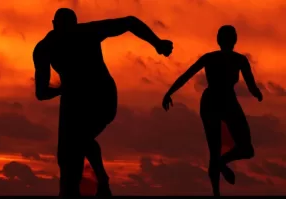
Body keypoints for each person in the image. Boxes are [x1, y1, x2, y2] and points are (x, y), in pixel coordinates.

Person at [32, 8, 173, 197]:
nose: (69, 36)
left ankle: (102, 180)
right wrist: (64, 89)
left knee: (80, 139)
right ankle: (86, 185)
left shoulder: (87, 32)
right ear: (54, 26)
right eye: (64, 30)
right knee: (68, 160)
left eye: (70, 29)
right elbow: (41, 93)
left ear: (74, 25)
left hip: (101, 96)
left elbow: (130, 21)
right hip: (73, 100)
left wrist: (158, 43)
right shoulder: (44, 49)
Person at [162, 25, 262, 196]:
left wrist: (257, 93)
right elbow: (187, 75)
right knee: (219, 149)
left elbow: (252, 85)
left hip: (221, 102)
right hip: (215, 103)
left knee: (243, 149)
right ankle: (216, 190)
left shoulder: (237, 60)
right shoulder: (227, 59)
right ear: (233, 40)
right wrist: (169, 92)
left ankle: (221, 163)